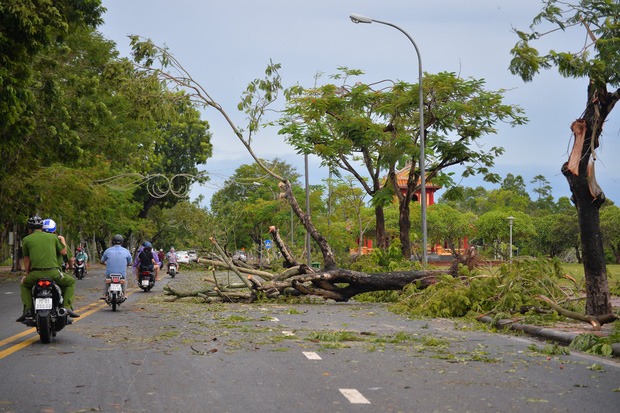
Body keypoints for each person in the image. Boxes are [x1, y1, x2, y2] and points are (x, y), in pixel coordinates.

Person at [17, 216, 79, 323]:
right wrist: (63, 240)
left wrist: (27, 274)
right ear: (42, 227)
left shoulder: (26, 240)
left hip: (35, 274)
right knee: (71, 282)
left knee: (24, 284)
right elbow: (64, 253)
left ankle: (28, 310)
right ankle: (67, 307)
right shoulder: (53, 238)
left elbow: (27, 260)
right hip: (53, 272)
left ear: (30, 229)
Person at [100, 234, 133, 299]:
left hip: (110, 273)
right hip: (121, 273)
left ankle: (104, 294)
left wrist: (105, 263)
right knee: (124, 280)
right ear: (122, 242)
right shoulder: (126, 251)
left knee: (107, 280)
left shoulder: (108, 250)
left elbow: (102, 261)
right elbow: (130, 262)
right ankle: (124, 293)